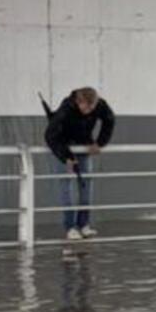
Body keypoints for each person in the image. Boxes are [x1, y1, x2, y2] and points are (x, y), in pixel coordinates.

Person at [43, 87, 115, 241]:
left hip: (84, 145)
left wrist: (100, 142)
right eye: (86, 107)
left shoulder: (100, 105)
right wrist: (66, 157)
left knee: (86, 184)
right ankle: (70, 227)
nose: (89, 111)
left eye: (92, 108)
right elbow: (50, 135)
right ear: (78, 101)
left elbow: (110, 119)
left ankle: (84, 224)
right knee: (66, 186)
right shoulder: (66, 108)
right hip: (64, 146)